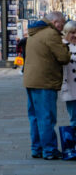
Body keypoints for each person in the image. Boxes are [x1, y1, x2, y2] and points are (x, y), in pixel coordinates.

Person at [24, 12, 70, 160]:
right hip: (45, 81)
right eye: (62, 23)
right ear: (55, 22)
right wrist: (67, 48)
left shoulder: (34, 33)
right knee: (46, 117)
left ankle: (36, 148)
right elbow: (63, 57)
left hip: (31, 80)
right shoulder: (51, 34)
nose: (63, 27)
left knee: (35, 117)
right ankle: (49, 150)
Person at [61, 21, 76, 127]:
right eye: (72, 32)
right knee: (74, 117)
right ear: (66, 32)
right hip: (70, 86)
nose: (75, 35)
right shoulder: (61, 46)